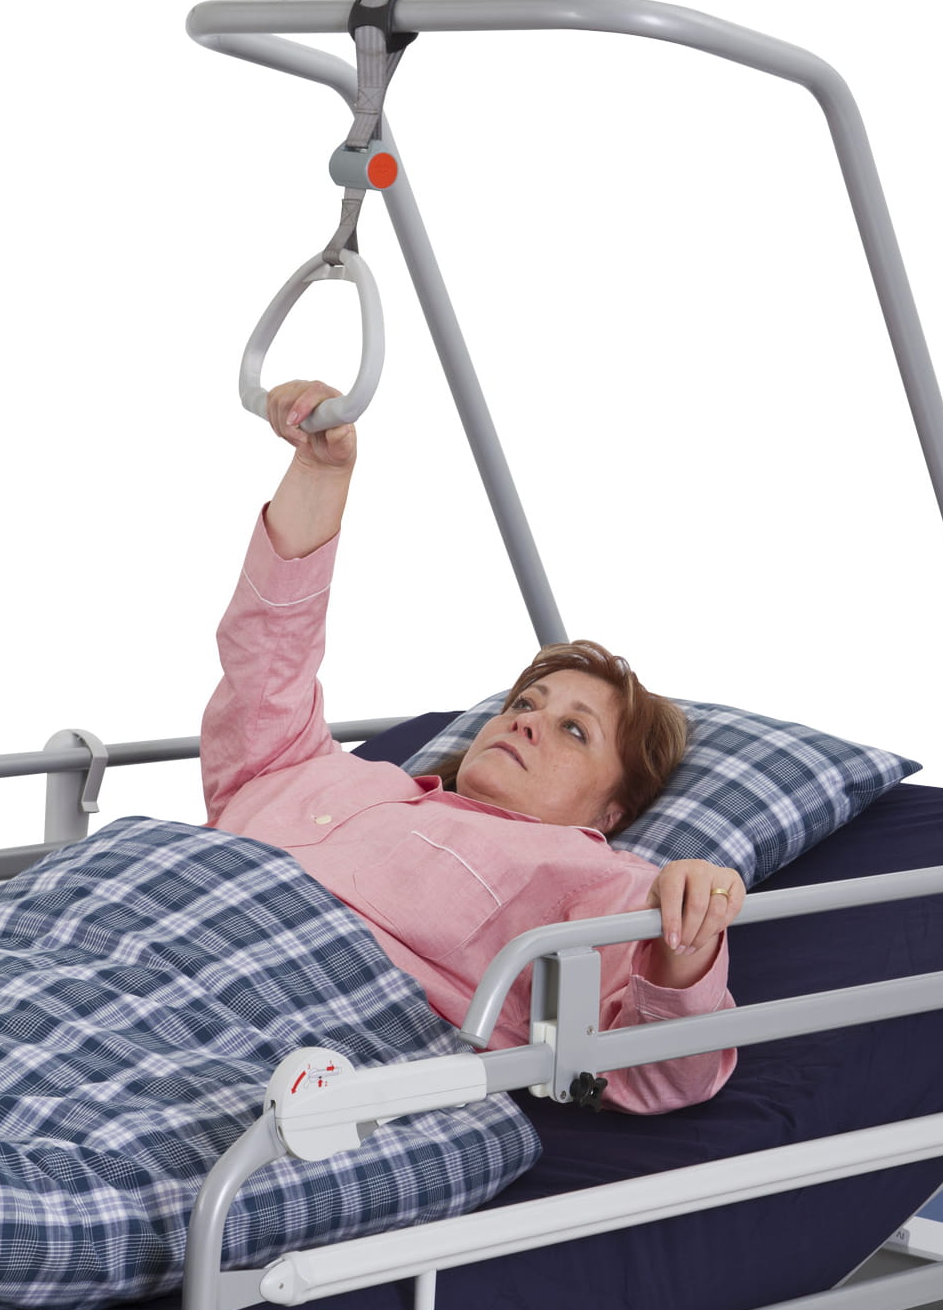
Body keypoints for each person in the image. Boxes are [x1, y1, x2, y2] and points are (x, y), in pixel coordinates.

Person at [201, 380, 743, 1113]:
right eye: (525, 703)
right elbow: (266, 648)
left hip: (266, 1031)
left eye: (574, 729)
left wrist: (688, 935)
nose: (527, 721)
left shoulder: (599, 881)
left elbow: (663, 1078)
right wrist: (319, 471)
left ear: (611, 810)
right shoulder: (306, 767)